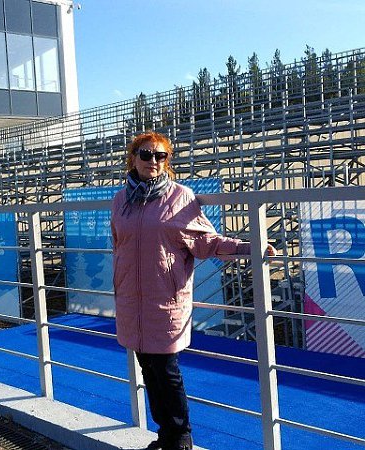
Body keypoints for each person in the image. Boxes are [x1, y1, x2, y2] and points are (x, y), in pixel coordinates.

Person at [110, 132, 275, 450]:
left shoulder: (179, 197)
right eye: (146, 154)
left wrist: (248, 247)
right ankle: (165, 434)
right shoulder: (121, 200)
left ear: (167, 161)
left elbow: (206, 241)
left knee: (166, 369)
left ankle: (181, 436)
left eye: (161, 156)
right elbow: (119, 244)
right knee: (147, 368)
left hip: (165, 299)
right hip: (131, 299)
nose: (153, 161)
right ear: (133, 158)